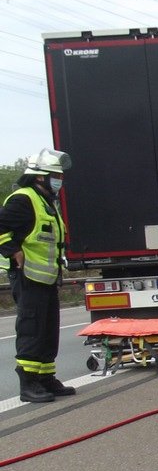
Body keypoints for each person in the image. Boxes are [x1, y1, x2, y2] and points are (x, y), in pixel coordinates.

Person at [0, 148, 75, 404]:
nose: (60, 180)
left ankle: (45, 378)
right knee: (31, 329)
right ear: (40, 176)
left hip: (46, 279)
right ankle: (28, 382)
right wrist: (13, 251)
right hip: (27, 276)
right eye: (56, 176)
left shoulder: (46, 201)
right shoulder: (23, 199)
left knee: (48, 330)